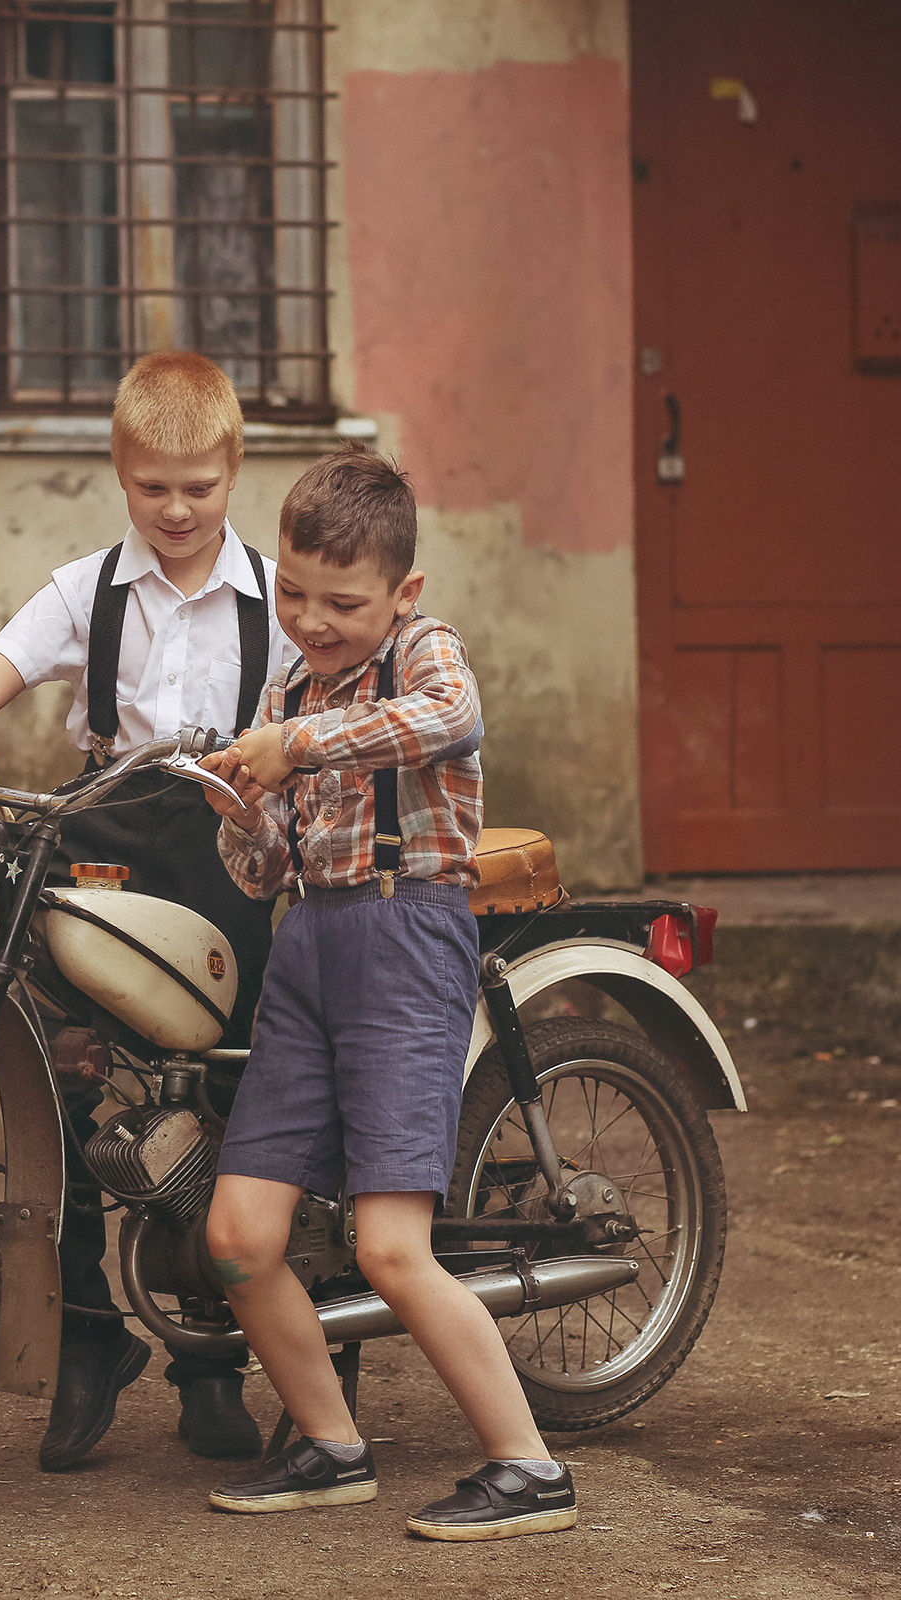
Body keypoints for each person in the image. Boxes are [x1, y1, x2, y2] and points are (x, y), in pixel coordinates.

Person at [0, 351, 295, 1470]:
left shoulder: (279, 600)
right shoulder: (85, 590)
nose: (178, 508)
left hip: (224, 863)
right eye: (155, 488)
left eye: (199, 485)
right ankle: (92, 1335)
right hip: (102, 845)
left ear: (233, 468)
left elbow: (324, 714)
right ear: (120, 475)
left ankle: (212, 1357)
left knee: (222, 1093)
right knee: (72, 1081)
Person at [195, 449, 577, 1540]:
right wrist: (240, 804)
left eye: (342, 601)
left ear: (401, 592)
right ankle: (328, 1442)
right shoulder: (288, 689)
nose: (313, 619)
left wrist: (294, 747)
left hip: (408, 937)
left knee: (390, 1246)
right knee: (237, 1236)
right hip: (308, 946)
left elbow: (450, 717)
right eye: (296, 594)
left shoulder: (423, 647)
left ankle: (528, 1467)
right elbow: (262, 872)